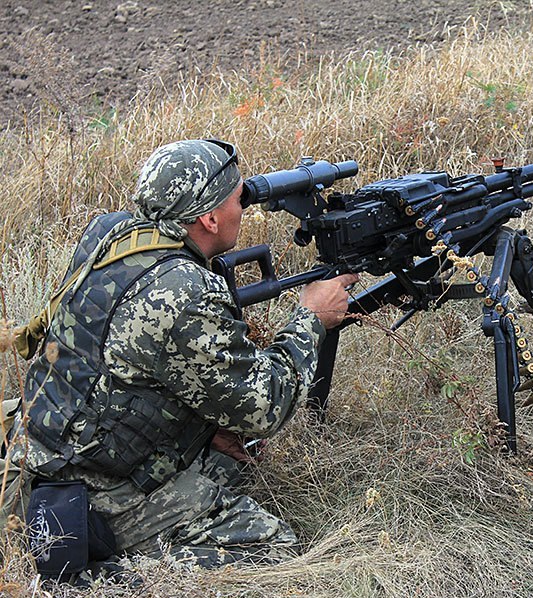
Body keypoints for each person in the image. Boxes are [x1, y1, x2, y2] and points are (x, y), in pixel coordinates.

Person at [0, 139, 357, 573]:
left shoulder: (112, 234)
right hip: (95, 489)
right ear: (209, 218)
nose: (243, 206)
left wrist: (205, 430)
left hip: (44, 444)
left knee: (226, 457)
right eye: (237, 198)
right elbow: (265, 408)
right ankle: (96, 572)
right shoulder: (182, 291)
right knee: (275, 549)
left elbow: (131, 367)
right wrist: (311, 319)